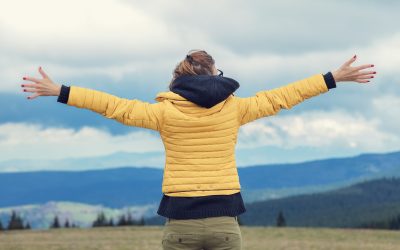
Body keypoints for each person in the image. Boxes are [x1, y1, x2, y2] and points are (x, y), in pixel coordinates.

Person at [20, 49, 376, 249]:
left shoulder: (163, 112)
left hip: (181, 226)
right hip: (225, 225)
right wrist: (332, 78)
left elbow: (112, 105)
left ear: (178, 80)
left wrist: (60, 90)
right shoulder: (236, 109)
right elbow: (284, 97)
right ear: (217, 78)